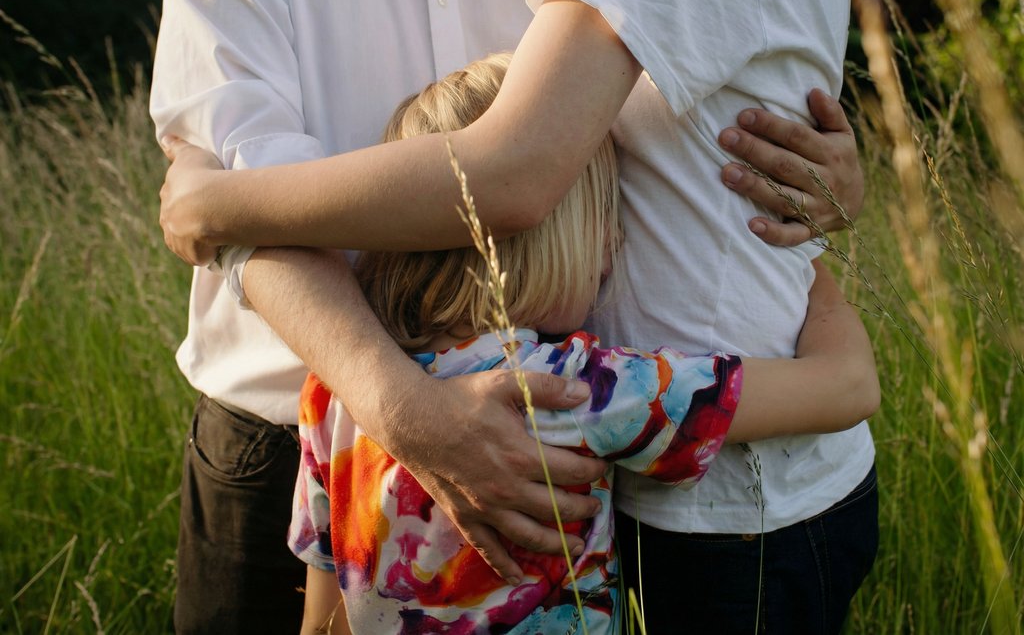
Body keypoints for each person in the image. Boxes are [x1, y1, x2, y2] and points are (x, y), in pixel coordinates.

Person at [152, 0, 870, 632]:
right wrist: (399, 407)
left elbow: (658, 101)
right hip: (291, 416)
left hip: (464, 433)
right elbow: (242, 178)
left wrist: (808, 178)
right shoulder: (584, 394)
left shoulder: (580, 392)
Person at [286, 53, 876, 635]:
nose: (615, 243)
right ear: (544, 232)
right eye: (604, 215)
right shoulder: (574, 389)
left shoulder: (334, 391)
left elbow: (322, 619)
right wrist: (807, 257)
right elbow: (849, 386)